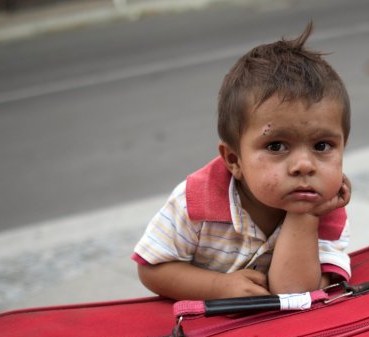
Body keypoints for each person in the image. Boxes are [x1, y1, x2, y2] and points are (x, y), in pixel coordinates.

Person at [133, 22, 352, 301]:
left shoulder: (327, 210)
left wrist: (306, 216)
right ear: (234, 160)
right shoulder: (195, 201)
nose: (304, 166)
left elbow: (294, 293)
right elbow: (152, 267)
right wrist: (218, 287)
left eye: (322, 146)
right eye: (276, 146)